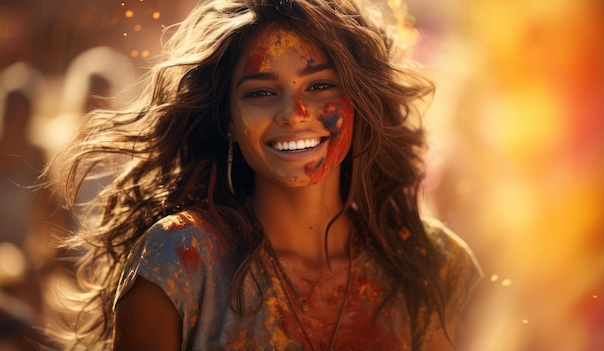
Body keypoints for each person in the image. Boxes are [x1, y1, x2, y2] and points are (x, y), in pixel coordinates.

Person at [44, 0, 482, 350]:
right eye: (262, 92)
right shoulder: (179, 263)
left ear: (358, 101)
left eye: (319, 85)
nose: (294, 113)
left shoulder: (429, 265)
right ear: (229, 119)